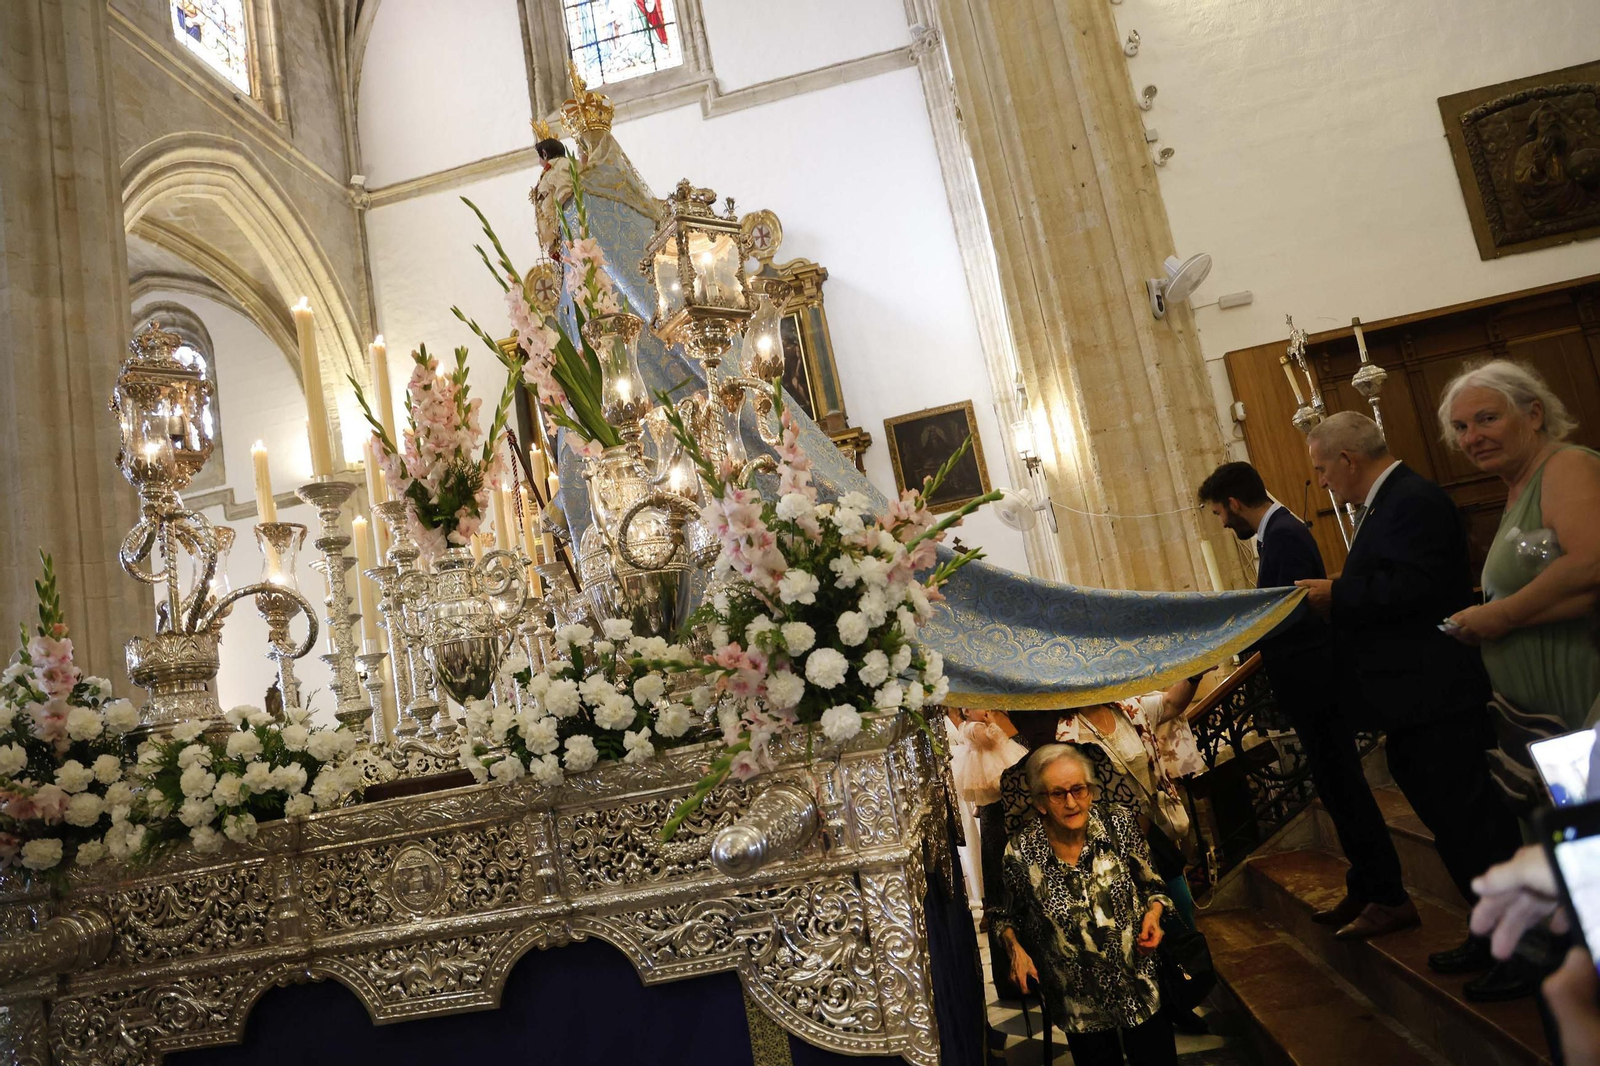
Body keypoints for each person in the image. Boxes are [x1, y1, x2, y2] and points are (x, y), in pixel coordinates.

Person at [1296, 411, 1525, 998]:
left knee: (1474, 827)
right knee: (1452, 829)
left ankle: (1522, 950)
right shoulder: (1391, 501)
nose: (1322, 480)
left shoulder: (1412, 499)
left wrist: (1337, 592)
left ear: (1348, 460)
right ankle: (1489, 933)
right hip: (1414, 701)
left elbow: (1417, 589)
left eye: (1322, 468)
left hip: (1435, 696)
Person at [1198, 461, 1412, 939]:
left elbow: (1298, 613)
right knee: (1337, 794)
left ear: (1234, 503)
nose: (1222, 523)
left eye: (1219, 513)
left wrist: (1242, 629)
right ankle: (1366, 886)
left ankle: (1388, 895)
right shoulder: (1277, 533)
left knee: (1348, 793)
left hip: (1316, 686)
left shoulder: (1287, 535)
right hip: (1307, 687)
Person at [1436, 360, 1600, 806]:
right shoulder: (1517, 487)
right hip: (1539, 713)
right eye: (1461, 427)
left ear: (1533, 414)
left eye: (1487, 419)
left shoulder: (1566, 466)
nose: (1472, 437)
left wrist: (1499, 615)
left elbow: (1590, 566)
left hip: (1580, 693)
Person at [991, 745, 1176, 1066]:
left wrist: (1154, 915)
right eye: (1058, 794)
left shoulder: (1118, 825)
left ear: (1090, 790)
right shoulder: (1021, 852)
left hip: (1138, 985)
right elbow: (1002, 915)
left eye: (1078, 789)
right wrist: (1016, 951)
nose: (1072, 802)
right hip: (1076, 1000)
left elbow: (1154, 887)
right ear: (1040, 802)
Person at [1054, 679, 1205, 931]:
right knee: (1135, 928)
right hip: (1109, 848)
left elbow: (1171, 702)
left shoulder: (1128, 709)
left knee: (1180, 918)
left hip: (1154, 835)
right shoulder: (1065, 732)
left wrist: (1195, 674)